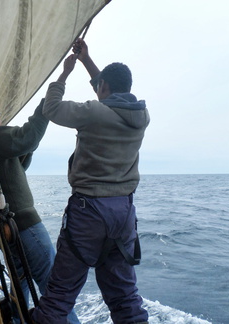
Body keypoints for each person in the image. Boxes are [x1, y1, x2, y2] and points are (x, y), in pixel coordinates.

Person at [31, 38, 150, 324]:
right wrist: (87, 60)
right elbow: (108, 91)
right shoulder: (141, 116)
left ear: (104, 87)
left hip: (88, 214)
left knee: (60, 294)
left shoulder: (93, 113)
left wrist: (65, 73)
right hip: (123, 215)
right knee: (124, 296)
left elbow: (52, 108)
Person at [0, 101, 80, 323]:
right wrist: (44, 106)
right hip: (23, 224)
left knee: (19, 280)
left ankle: (16, 320)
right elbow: (26, 138)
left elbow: (16, 165)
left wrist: (26, 144)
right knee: (52, 284)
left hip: (5, 229)